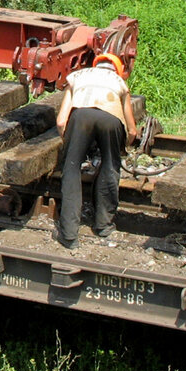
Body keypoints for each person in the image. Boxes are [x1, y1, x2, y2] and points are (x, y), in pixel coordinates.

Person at [53, 53, 137, 250]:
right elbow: (132, 130)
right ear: (116, 70)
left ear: (96, 65)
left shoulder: (78, 76)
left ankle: (69, 236)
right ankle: (103, 226)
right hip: (112, 119)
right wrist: (124, 146)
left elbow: (60, 121)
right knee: (110, 166)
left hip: (81, 117)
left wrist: (69, 140)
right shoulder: (120, 83)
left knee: (71, 170)